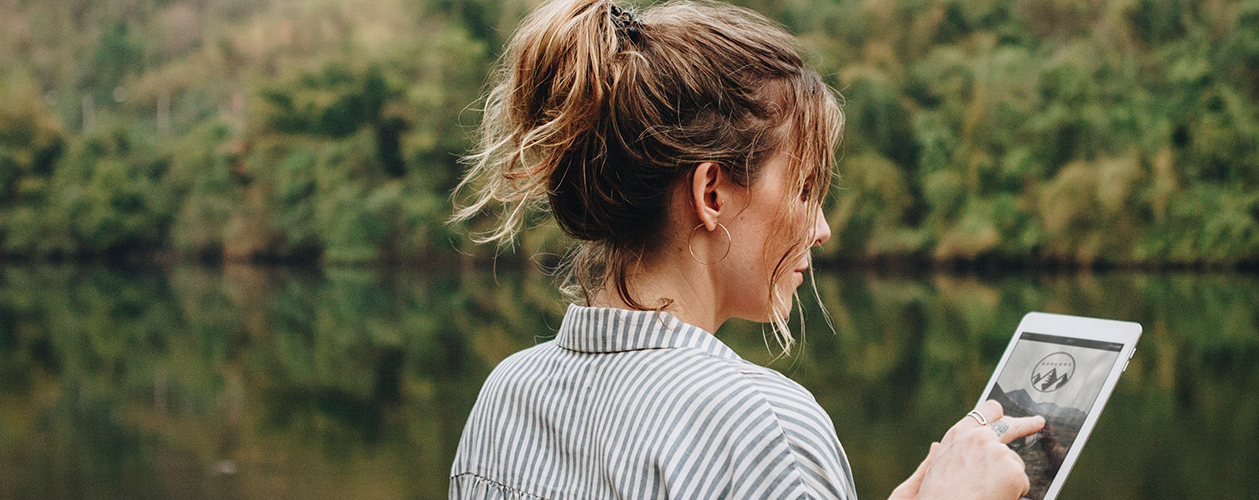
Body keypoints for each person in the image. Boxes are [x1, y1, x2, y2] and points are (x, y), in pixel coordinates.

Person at [447, 0, 1045, 498]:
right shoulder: (763, 425)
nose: (822, 228)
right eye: (805, 188)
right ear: (712, 193)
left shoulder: (507, 393)